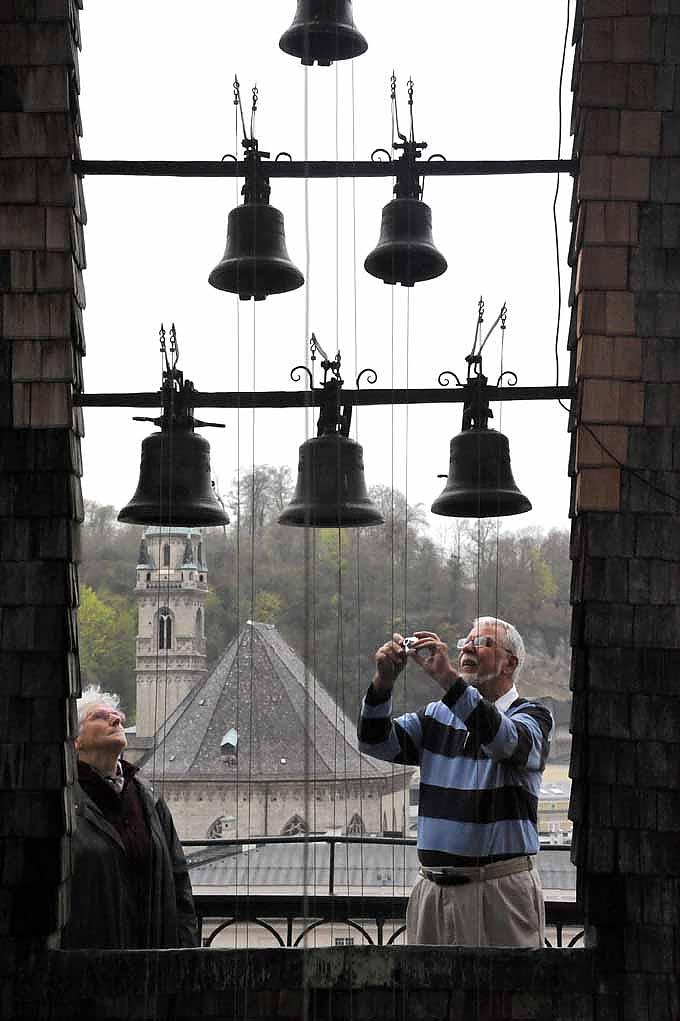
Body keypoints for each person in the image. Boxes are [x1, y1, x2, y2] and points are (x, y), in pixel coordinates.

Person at [358, 617, 553, 947]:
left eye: (483, 643)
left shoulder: (533, 717)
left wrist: (447, 679)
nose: (468, 649)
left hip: (498, 892)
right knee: (425, 982)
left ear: (510, 664)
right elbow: (374, 742)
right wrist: (383, 682)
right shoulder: (437, 715)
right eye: (466, 642)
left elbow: (504, 741)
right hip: (432, 890)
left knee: (506, 982)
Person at [62, 685, 199, 949]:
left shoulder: (147, 796)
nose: (116, 719)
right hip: (91, 960)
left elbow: (179, 881)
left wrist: (186, 950)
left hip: (154, 960)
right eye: (100, 716)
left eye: (118, 715)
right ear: (76, 740)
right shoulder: (66, 798)